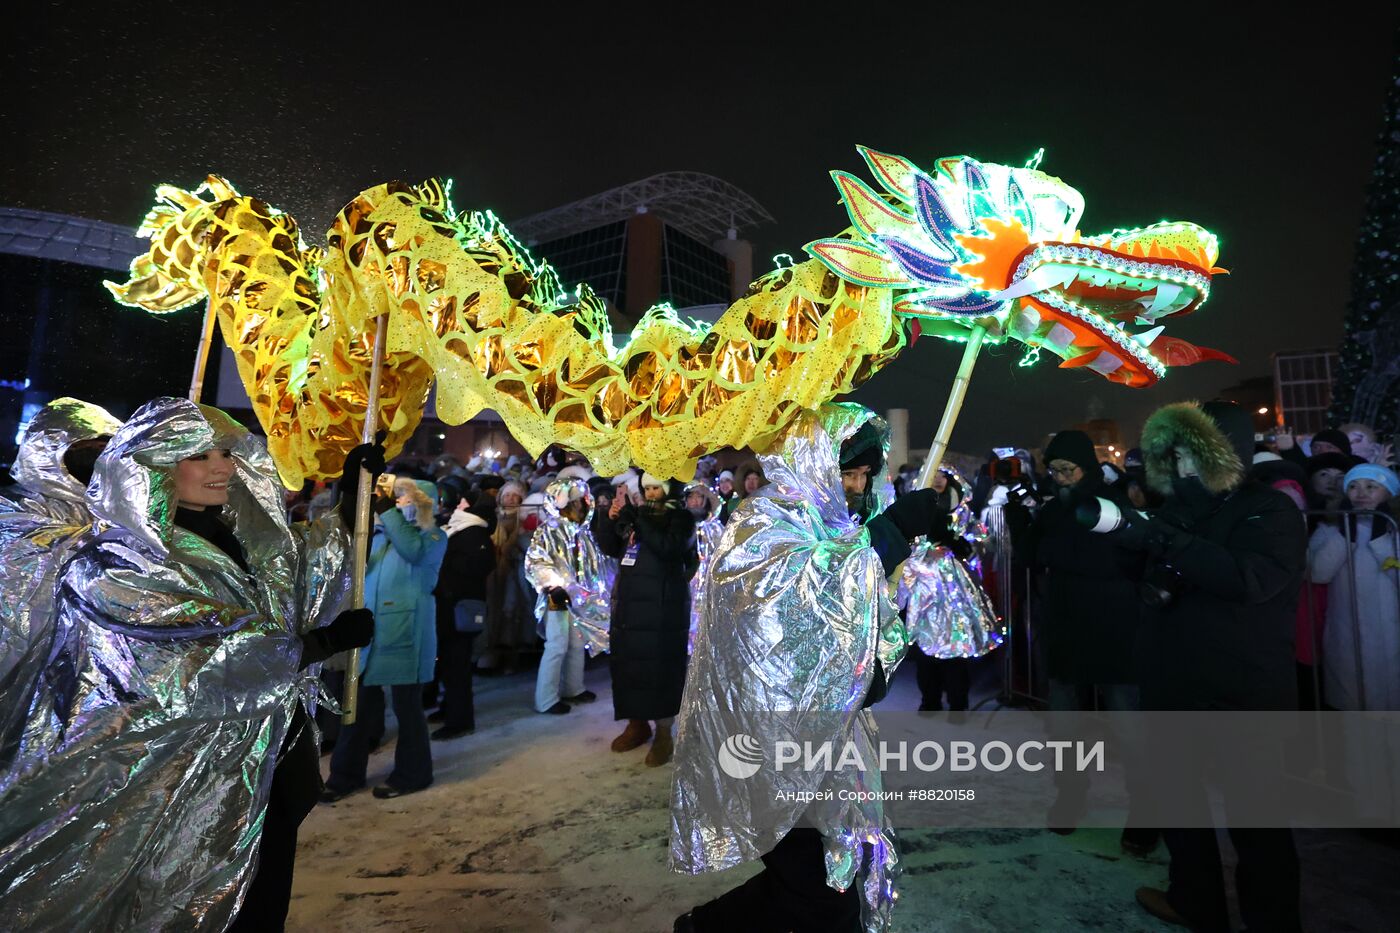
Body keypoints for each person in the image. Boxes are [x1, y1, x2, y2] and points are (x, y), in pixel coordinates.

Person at [0, 398, 375, 931]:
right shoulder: (116, 559)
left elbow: (289, 576)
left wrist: (353, 502)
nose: (223, 466)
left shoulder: (226, 532)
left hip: (265, 756)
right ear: (152, 467)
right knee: (197, 896)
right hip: (183, 775)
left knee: (264, 891)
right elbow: (188, 656)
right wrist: (315, 646)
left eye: (225, 452)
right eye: (200, 455)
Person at [671, 404, 955, 933]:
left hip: (830, 740)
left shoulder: (836, 526)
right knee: (821, 890)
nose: (856, 485)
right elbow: (807, 600)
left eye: (864, 474)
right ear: (812, 466)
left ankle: (703, 927)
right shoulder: (762, 523)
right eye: (847, 472)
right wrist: (888, 535)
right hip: (771, 745)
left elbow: (856, 610)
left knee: (830, 874)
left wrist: (888, 553)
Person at [1114, 401, 1304, 933]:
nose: (1181, 467)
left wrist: (1166, 539)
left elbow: (1249, 580)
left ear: (1226, 453)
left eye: (1191, 455)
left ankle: (1274, 921)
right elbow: (1146, 580)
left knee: (1257, 820)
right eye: (1172, 456)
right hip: (1173, 681)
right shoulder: (1176, 508)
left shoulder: (1269, 510)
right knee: (1180, 805)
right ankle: (1194, 898)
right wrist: (1127, 541)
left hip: (1242, 691)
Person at [1028, 429, 1154, 851]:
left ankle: (1145, 808)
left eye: (1069, 470)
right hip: (1066, 628)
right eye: (1055, 470)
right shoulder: (1052, 510)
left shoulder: (1112, 503)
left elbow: (1114, 558)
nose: (1061, 478)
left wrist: (1055, 551)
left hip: (1115, 628)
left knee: (1129, 723)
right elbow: (1034, 554)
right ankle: (1071, 794)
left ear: (1087, 468)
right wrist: (1023, 526)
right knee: (1065, 725)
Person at [0, 398, 119, 775]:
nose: (98, 466)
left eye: (109, 453)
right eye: (87, 455)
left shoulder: (115, 518)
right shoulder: (13, 512)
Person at [325, 478, 447, 801]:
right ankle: (345, 775)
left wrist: (385, 513)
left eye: (404, 499)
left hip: (407, 635)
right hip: (373, 637)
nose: (397, 505)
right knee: (356, 708)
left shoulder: (433, 537)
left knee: (408, 711)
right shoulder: (379, 539)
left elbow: (414, 551)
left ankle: (413, 773)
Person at [595, 473, 697, 767]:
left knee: (660, 668)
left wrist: (638, 520)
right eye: (647, 488)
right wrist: (606, 516)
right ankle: (636, 722)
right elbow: (611, 547)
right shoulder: (638, 517)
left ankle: (664, 732)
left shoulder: (682, 519)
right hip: (630, 606)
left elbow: (669, 547)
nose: (651, 494)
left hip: (663, 608)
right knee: (630, 664)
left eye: (656, 488)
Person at [899, 469, 998, 713]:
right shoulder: (911, 511)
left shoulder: (961, 509)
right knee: (926, 648)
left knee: (957, 647)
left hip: (956, 593)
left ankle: (958, 702)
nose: (938, 479)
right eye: (933, 474)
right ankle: (930, 700)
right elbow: (906, 547)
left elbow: (979, 540)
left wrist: (962, 546)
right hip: (924, 590)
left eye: (943, 475)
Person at [1308, 463, 1400, 712]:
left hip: (1389, 636)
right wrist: (1343, 535)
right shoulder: (1328, 530)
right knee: (1351, 711)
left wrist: (1380, 540)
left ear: (1388, 494)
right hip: (1346, 633)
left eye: (1372, 487)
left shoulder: (1394, 532)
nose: (1361, 493)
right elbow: (1318, 574)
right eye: (1353, 486)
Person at [525, 478, 613, 714]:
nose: (580, 506)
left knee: (576, 643)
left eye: (581, 502)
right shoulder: (548, 531)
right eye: (575, 502)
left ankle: (573, 687)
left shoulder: (583, 532)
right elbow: (536, 561)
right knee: (556, 645)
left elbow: (594, 564)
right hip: (558, 597)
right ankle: (546, 698)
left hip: (580, 599)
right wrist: (551, 585)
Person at [432, 490, 497, 740]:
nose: (458, 504)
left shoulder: (474, 532)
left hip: (459, 607)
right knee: (449, 663)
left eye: (463, 501)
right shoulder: (459, 529)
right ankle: (449, 708)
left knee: (457, 666)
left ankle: (459, 720)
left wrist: (447, 566)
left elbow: (479, 566)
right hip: (450, 606)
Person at [480, 479, 534, 675]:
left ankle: (512, 652)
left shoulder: (526, 519)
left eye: (514, 495)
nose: (510, 499)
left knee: (511, 610)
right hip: (493, 573)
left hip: (515, 571)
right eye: (507, 495)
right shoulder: (493, 518)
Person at [682, 482, 724, 651]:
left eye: (700, 496)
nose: (696, 501)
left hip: (709, 585)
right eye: (691, 497)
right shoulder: (681, 525)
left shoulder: (715, 527)